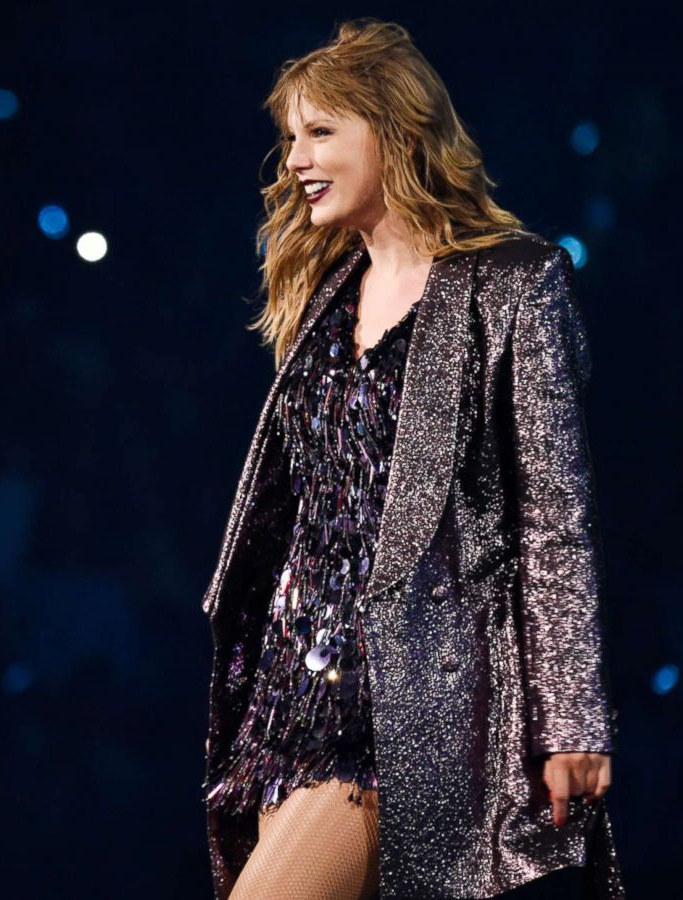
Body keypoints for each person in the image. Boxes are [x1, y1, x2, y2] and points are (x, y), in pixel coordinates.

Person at [200, 18, 625, 900]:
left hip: (416, 698)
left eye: (321, 132)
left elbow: (554, 518)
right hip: (293, 696)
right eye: (291, 138)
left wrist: (572, 717)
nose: (295, 162)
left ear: (393, 133)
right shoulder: (321, 294)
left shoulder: (513, 282)